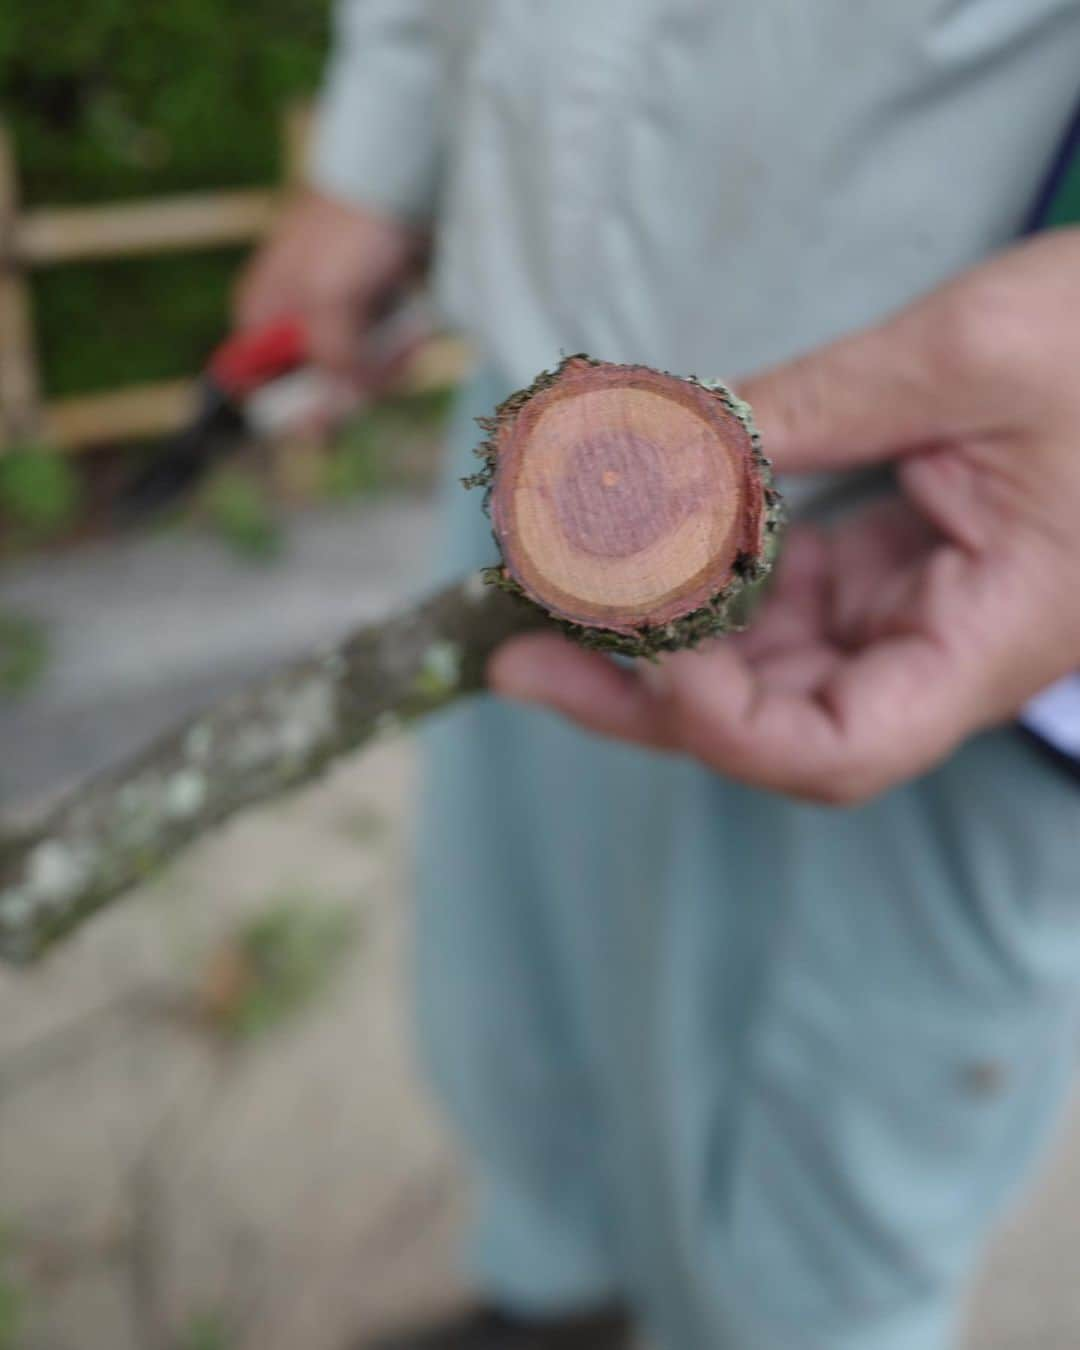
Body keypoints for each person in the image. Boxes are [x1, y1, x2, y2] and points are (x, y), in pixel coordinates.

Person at [236, 4, 1080, 1347]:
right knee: (527, 995)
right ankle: (558, 1294)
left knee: (825, 1174)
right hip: (532, 380)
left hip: (955, 504)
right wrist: (375, 147)